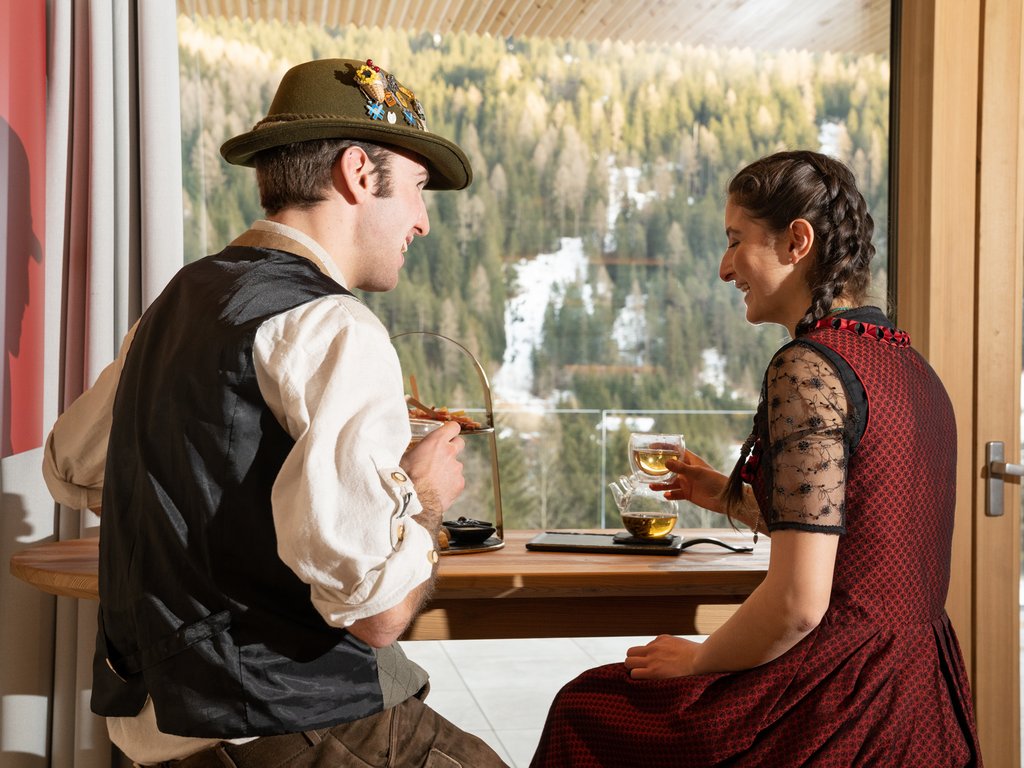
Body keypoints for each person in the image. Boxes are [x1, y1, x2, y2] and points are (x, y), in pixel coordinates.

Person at [42, 57, 508, 767]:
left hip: (158, 738)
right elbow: (379, 615)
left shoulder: (174, 306)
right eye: (417, 189)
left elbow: (71, 470)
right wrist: (426, 498)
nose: (421, 221)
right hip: (290, 726)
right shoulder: (332, 327)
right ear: (358, 172)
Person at [530, 150, 983, 767]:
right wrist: (723, 494)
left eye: (736, 240)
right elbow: (865, 536)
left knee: (585, 708)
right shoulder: (910, 366)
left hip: (840, 701)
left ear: (798, 241)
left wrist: (696, 657)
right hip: (923, 698)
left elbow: (798, 605)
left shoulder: (808, 368)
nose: (724, 267)